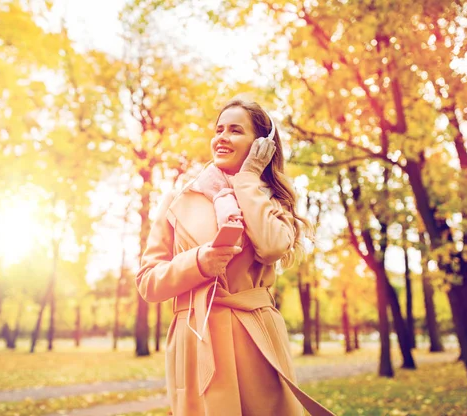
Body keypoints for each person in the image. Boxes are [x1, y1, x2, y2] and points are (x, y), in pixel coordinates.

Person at [136, 98, 334, 416]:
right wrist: (199, 263)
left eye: (235, 130)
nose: (222, 137)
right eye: (219, 129)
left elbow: (271, 246)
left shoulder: (272, 198)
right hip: (196, 340)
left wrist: (248, 179)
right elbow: (148, 283)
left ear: (261, 145)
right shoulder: (177, 199)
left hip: (255, 337)